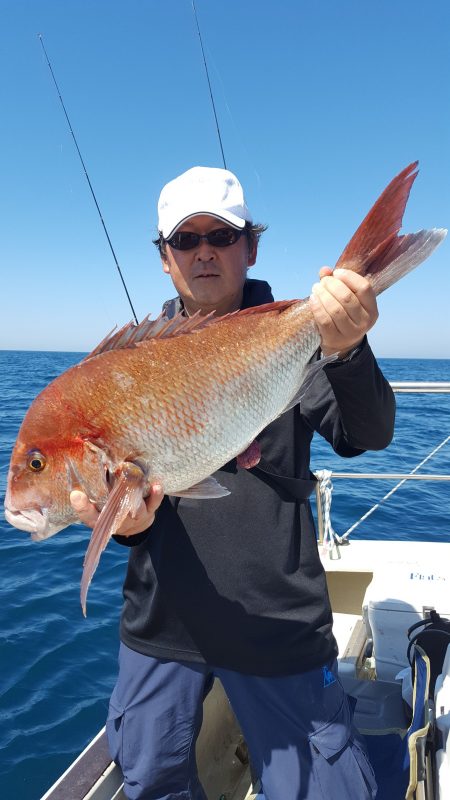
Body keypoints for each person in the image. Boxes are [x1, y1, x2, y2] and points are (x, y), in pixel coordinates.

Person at [71, 166, 395, 800]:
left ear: (250, 246)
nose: (203, 252)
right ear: (164, 259)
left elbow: (368, 435)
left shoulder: (292, 334)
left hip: (276, 622)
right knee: (151, 776)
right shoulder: (125, 368)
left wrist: (349, 349)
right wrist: (126, 527)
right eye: (184, 241)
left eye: (219, 235)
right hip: (164, 624)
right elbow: (129, 505)